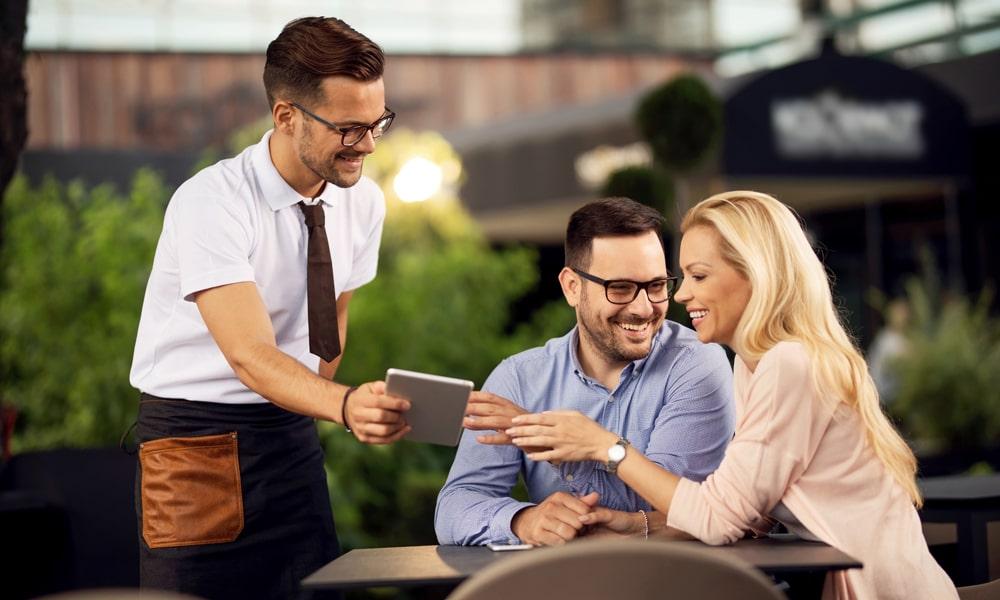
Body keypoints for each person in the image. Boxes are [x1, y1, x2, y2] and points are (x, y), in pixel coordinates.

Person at [506, 191, 958, 599]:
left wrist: (604, 446)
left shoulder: (789, 364)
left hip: (880, 588)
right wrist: (633, 526)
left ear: (755, 275)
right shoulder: (753, 363)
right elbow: (746, 508)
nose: (682, 295)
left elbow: (720, 520)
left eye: (699, 276)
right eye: (682, 278)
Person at [128, 17, 411, 600]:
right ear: (286, 116)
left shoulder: (364, 202)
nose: (368, 144)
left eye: (378, 122)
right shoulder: (211, 201)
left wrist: (333, 404)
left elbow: (330, 327)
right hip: (194, 446)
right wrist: (346, 405)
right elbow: (250, 355)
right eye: (350, 128)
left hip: (292, 435)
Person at [435, 197, 734, 547]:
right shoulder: (518, 377)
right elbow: (454, 508)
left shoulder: (696, 363)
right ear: (572, 287)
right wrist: (522, 520)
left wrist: (576, 447)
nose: (643, 308)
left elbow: (673, 509)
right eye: (620, 288)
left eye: (655, 286)